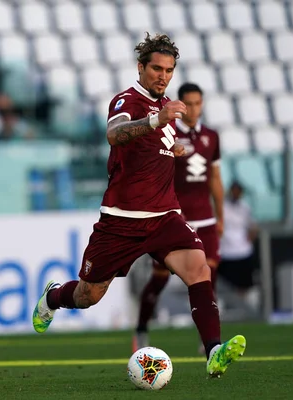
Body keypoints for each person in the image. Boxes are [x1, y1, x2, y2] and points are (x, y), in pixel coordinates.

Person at [31, 33, 246, 378]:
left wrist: (172, 149)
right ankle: (54, 298)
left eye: (169, 70)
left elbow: (156, 147)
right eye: (157, 69)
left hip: (164, 217)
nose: (163, 76)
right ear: (141, 68)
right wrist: (155, 121)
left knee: (199, 270)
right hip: (121, 220)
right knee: (89, 295)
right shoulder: (126, 101)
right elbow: (115, 135)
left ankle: (213, 351)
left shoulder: (169, 109)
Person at [132, 82, 224, 353]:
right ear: (180, 105)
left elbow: (215, 179)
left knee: (208, 278)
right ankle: (141, 329)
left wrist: (221, 216)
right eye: (189, 104)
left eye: (198, 103)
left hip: (205, 220)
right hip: (174, 219)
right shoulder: (168, 133)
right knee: (159, 279)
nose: (194, 109)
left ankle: (207, 340)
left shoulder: (211, 137)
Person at [217, 182, 259, 302]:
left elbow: (253, 226)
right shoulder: (222, 206)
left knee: (244, 285)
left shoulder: (245, 207)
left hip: (242, 251)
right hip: (225, 252)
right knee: (224, 284)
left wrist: (247, 241)